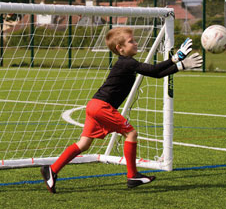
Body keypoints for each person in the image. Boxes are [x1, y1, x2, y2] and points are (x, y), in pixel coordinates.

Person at [41, 27, 202, 193]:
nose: (136, 42)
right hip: (102, 107)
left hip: (94, 105)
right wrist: (176, 58)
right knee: (131, 134)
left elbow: (156, 74)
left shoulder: (127, 63)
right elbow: (154, 70)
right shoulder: (127, 62)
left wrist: (181, 65)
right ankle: (132, 176)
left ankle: (52, 170)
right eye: (131, 41)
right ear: (120, 48)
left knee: (84, 144)